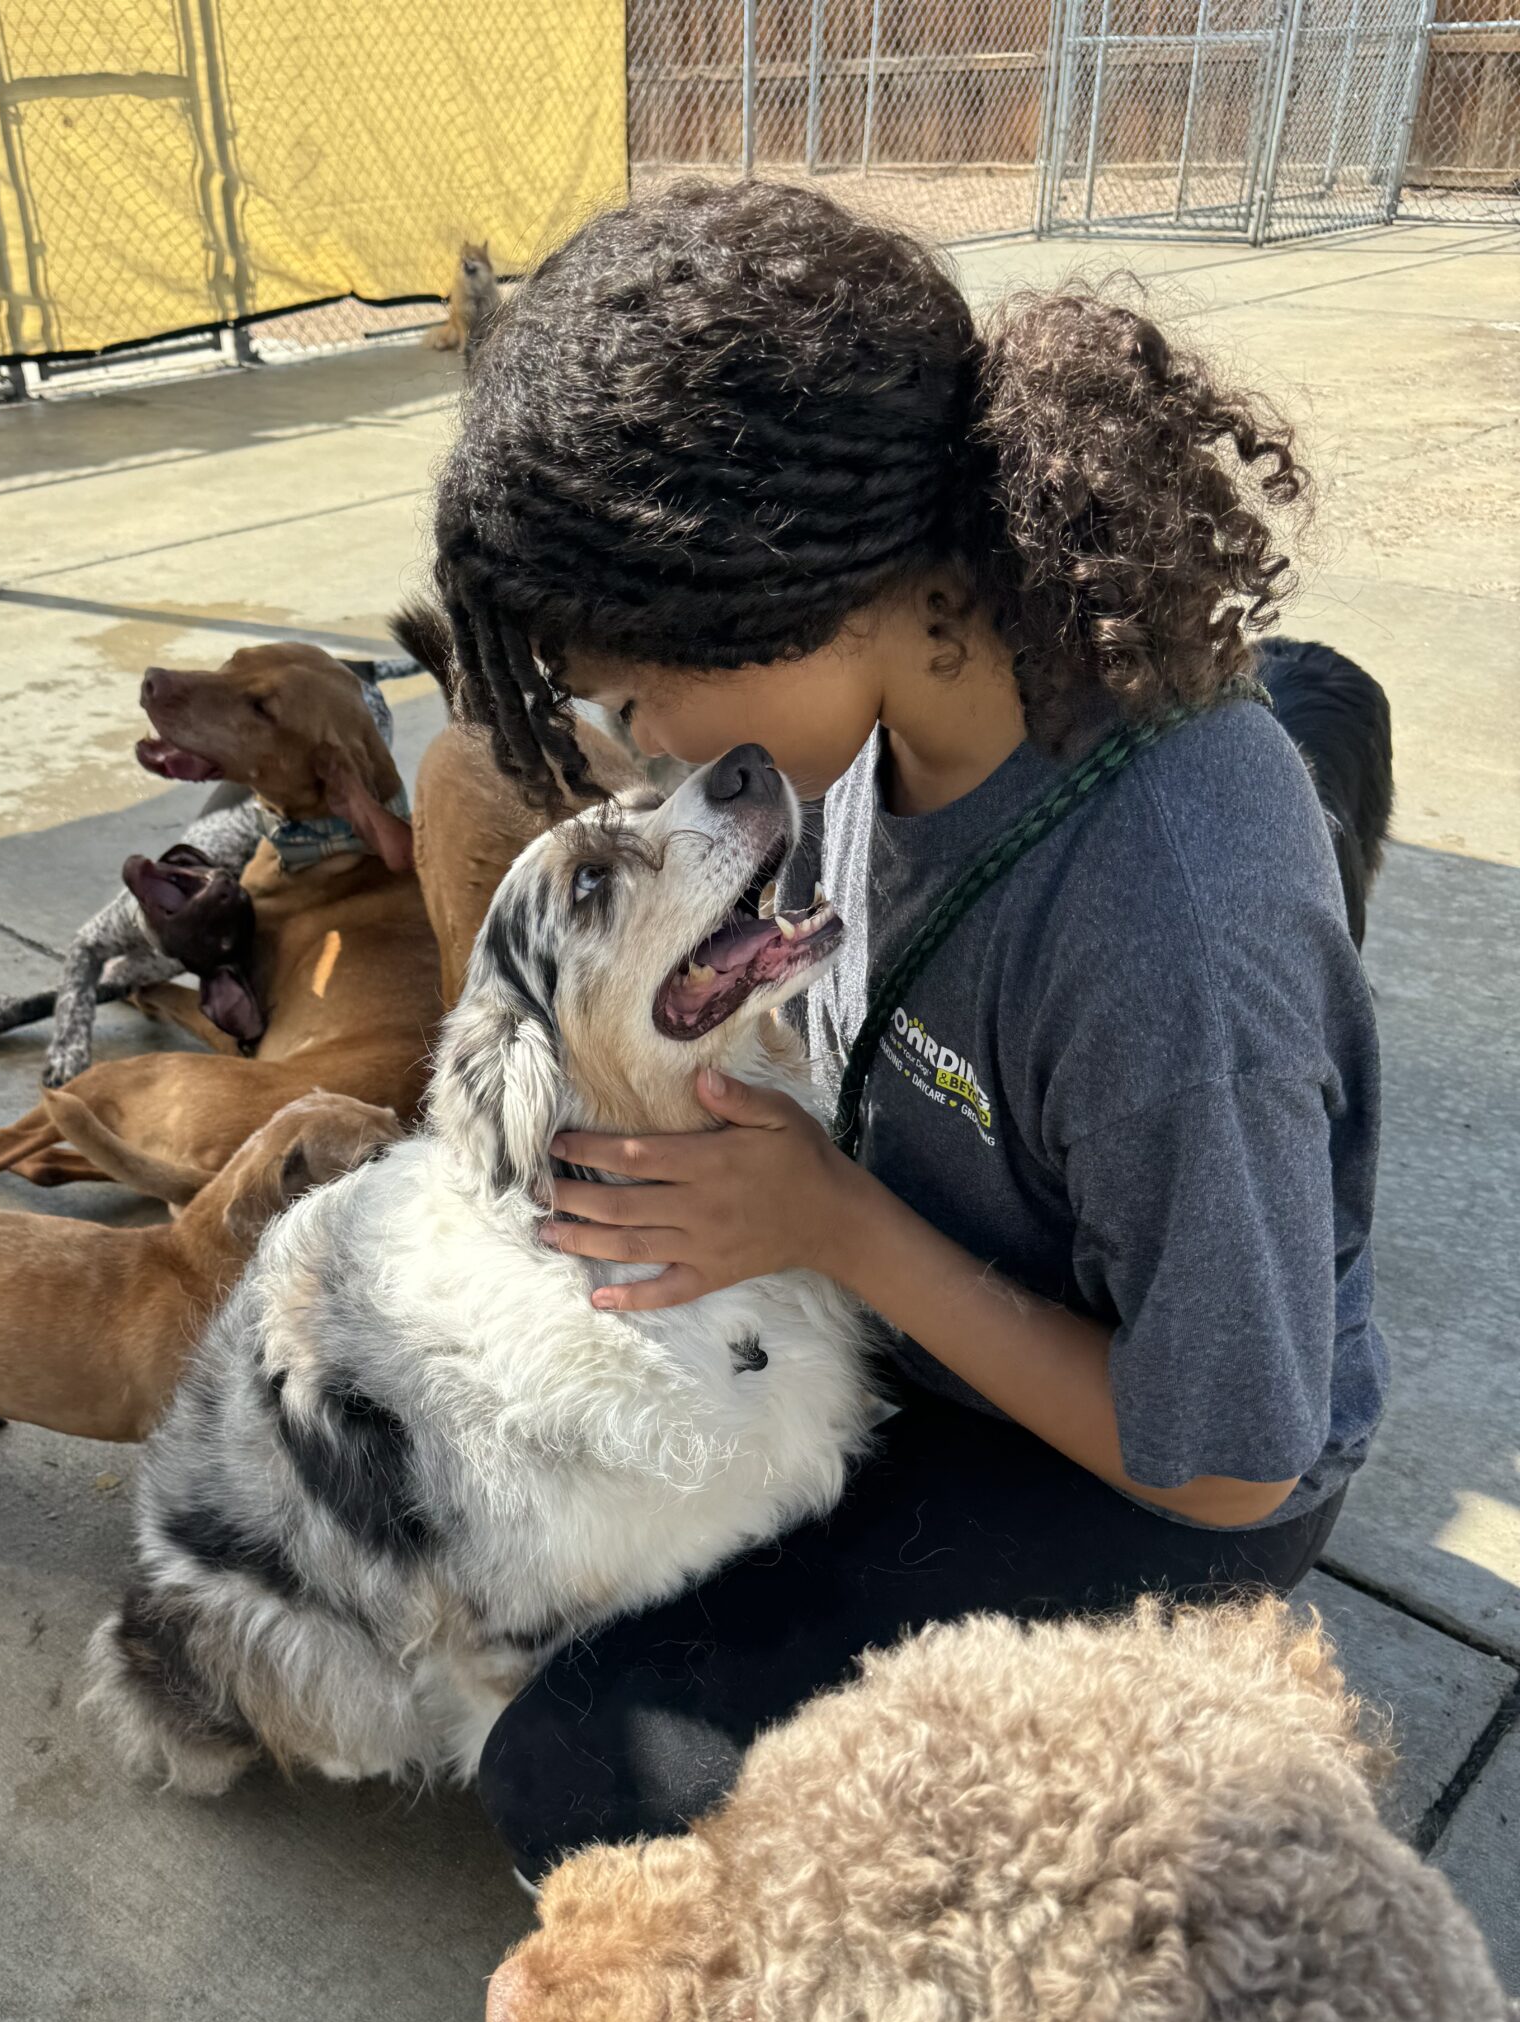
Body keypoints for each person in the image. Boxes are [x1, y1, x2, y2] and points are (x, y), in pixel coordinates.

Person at [426, 181, 1387, 1878]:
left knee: (583, 1775)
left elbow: (1235, 1465)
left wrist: (833, 1223)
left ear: (780, 590)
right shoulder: (896, 717)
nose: (647, 754)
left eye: (639, 695)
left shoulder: (1172, 924)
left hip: (1150, 1474)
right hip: (931, 1308)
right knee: (493, 1579)